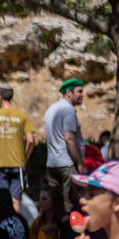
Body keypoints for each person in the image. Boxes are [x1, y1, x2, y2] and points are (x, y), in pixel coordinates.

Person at [0, 86, 34, 214]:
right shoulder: (22, 115)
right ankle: (16, 229)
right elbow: (31, 140)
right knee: (16, 199)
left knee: (0, 199)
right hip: (18, 163)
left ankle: (2, 226)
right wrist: (25, 158)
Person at [43, 78, 87, 210]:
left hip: (52, 164)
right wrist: (80, 164)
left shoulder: (51, 109)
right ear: (69, 93)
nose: (82, 94)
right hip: (67, 165)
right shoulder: (68, 110)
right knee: (71, 205)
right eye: (79, 91)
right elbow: (69, 139)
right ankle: (70, 231)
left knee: (55, 205)